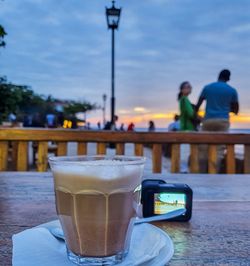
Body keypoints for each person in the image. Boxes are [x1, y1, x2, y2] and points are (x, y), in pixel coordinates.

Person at [196, 69, 239, 172]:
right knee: (219, 150)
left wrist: (198, 117)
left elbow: (197, 106)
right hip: (223, 121)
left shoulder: (207, 87)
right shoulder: (232, 90)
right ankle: (214, 173)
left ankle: (201, 172)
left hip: (208, 121)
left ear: (218, 76)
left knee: (203, 148)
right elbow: (236, 110)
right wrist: (226, 107)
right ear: (228, 78)